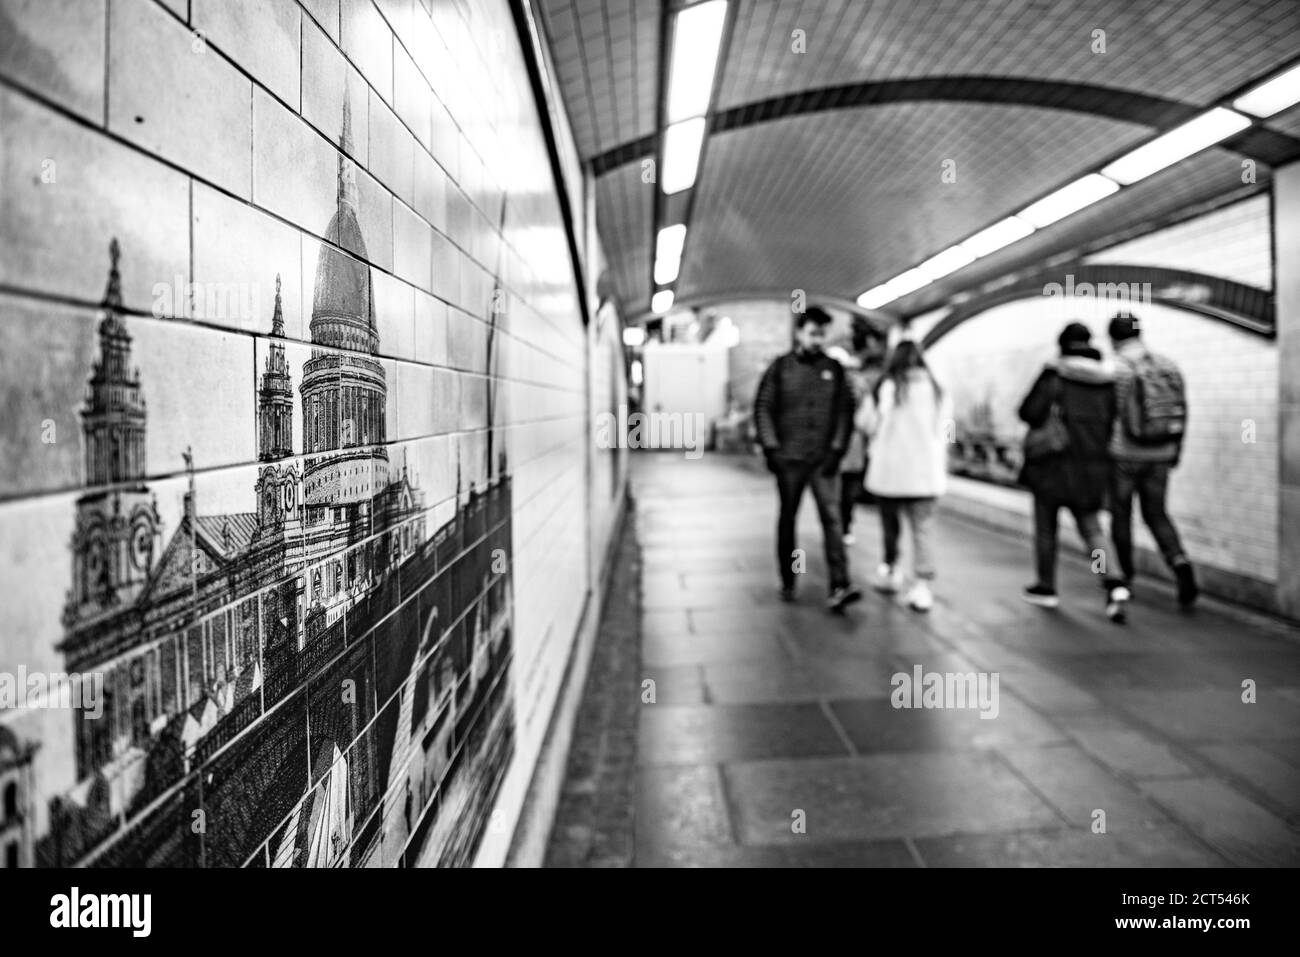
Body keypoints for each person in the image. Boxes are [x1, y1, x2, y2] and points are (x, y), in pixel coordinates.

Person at [1017, 322, 1129, 621]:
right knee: (1091, 530)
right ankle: (1111, 580)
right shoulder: (1108, 378)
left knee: (1046, 529)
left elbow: (1028, 412)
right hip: (1093, 465)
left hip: (1053, 464)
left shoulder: (1055, 374)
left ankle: (1047, 587)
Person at [754, 307, 862, 612]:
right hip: (789, 459)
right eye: (813, 333)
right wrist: (771, 448)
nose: (818, 339)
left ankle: (839, 583)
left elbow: (845, 411)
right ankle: (789, 579)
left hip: (822, 460)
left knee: (832, 519)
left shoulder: (835, 370)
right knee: (789, 518)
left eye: (822, 334)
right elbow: (763, 407)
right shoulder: (780, 369)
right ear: (799, 332)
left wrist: (837, 449)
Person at [1106, 313, 1198, 608]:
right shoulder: (1168, 366)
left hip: (1124, 455)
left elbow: (1110, 416)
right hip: (1161, 453)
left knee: (1121, 516)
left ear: (1113, 338)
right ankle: (1179, 562)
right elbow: (1182, 411)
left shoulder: (1116, 369)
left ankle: (1126, 578)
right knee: (1156, 513)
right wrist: (1176, 450)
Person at [855, 338, 951, 612]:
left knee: (890, 526)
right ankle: (922, 586)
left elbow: (867, 423)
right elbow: (948, 428)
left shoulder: (887, 387)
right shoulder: (936, 389)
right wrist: (939, 452)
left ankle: (891, 570)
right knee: (923, 529)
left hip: (890, 471)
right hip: (926, 472)